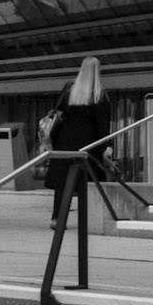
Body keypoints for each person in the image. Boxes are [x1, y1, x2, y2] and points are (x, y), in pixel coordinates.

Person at [44, 55, 112, 226]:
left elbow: (57, 112)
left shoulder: (69, 90)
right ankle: (86, 221)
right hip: (88, 145)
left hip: (64, 142)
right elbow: (102, 125)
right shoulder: (99, 95)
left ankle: (57, 218)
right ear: (97, 71)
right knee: (86, 183)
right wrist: (106, 147)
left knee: (62, 184)